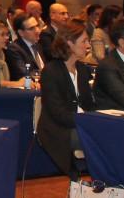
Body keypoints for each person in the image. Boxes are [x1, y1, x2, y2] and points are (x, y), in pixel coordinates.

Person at [37, 21, 96, 179]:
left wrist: (96, 119)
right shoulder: (51, 71)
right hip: (57, 129)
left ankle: (107, 183)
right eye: (84, 41)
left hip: (81, 125)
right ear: (70, 43)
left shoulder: (82, 69)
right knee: (101, 138)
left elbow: (89, 104)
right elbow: (59, 114)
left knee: (110, 134)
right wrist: (88, 122)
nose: (88, 45)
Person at [6, 12, 47, 80]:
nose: (37, 31)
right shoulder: (14, 49)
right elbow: (25, 74)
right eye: (32, 28)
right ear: (21, 32)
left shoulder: (38, 45)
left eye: (37, 26)